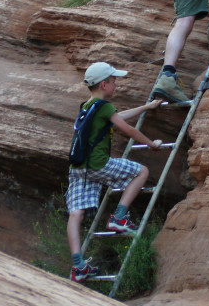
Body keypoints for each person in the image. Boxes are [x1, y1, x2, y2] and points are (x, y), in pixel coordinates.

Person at [67, 61, 162, 283]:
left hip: (78, 169)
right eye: (114, 81)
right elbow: (126, 128)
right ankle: (119, 218)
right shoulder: (105, 107)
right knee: (142, 171)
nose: (116, 84)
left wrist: (145, 108)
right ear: (104, 84)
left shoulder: (87, 105)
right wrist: (150, 143)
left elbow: (118, 116)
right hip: (98, 165)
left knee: (75, 214)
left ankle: (78, 266)